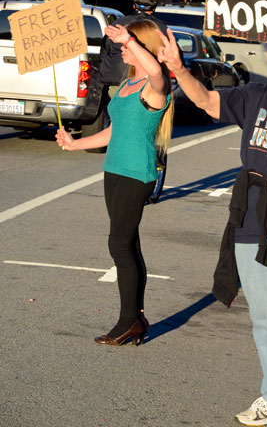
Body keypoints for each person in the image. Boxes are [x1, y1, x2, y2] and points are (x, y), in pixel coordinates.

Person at [158, 14, 267, 427]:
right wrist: (178, 67)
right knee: (264, 316)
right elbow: (206, 101)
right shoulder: (254, 94)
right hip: (250, 214)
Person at [56, 19, 174, 346]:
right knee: (129, 243)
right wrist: (73, 143)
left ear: (143, 45)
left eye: (129, 42)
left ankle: (127, 321)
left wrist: (130, 39)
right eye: (123, 43)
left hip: (138, 173)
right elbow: (113, 132)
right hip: (115, 169)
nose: (123, 47)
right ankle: (136, 316)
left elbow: (158, 73)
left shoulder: (154, 86)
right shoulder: (126, 86)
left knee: (118, 245)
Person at [98, 0, 168, 93]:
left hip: (114, 81)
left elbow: (104, 51)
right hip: (144, 83)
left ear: (134, 5)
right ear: (154, 7)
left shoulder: (118, 23)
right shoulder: (160, 27)